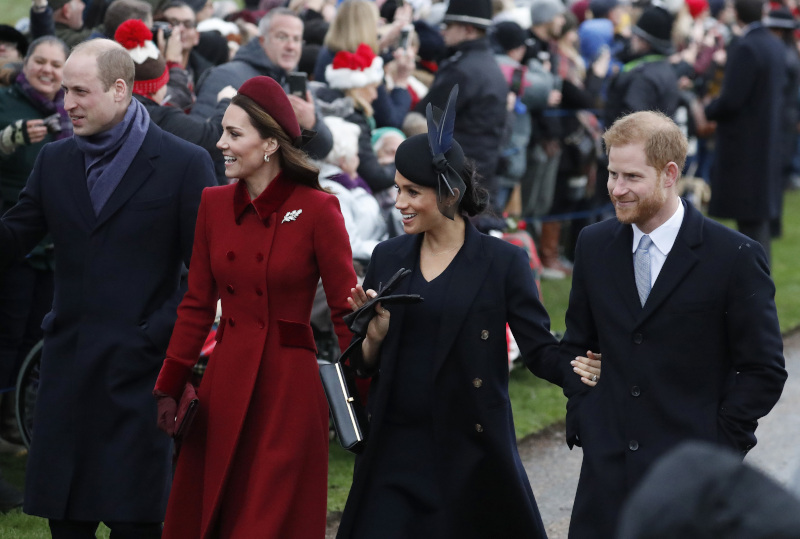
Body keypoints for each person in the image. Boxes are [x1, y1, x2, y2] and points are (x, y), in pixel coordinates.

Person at [336, 86, 600, 539]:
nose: (398, 202)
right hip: (395, 445)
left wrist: (584, 369)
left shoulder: (503, 263)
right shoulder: (387, 255)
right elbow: (363, 365)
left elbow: (538, 350)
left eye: (412, 191)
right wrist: (375, 336)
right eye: (397, 189)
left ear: (450, 192)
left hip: (470, 449)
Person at [0, 38, 216, 537]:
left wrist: (159, 339)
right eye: (63, 92)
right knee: (66, 523)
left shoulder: (185, 163)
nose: (66, 103)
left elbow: (202, 277)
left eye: (79, 91)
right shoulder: (54, 161)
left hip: (140, 379)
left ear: (120, 89)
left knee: (134, 523)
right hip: (67, 374)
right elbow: (13, 238)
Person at [561, 111, 787, 538]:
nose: (616, 188)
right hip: (604, 475)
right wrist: (584, 412)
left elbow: (763, 369)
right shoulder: (593, 245)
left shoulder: (734, 256)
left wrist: (719, 444)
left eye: (631, 176)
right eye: (611, 174)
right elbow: (577, 344)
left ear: (669, 174)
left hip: (689, 481)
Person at [153, 75, 357, 538]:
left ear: (269, 144)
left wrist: (362, 394)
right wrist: (171, 383)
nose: (220, 142)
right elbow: (196, 305)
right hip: (224, 384)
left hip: (289, 391)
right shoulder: (213, 203)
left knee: (265, 521)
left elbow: (346, 313)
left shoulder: (319, 209)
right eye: (222, 130)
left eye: (233, 134)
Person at [704, 0, 786, 266]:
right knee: (754, 221)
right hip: (766, 141)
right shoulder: (772, 43)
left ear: (736, 13)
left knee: (750, 224)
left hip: (746, 147)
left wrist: (708, 109)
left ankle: (754, 285)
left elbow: (731, 100)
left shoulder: (746, 46)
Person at [414, 0, 508, 208]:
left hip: (455, 174)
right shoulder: (488, 64)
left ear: (468, 30)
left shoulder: (462, 69)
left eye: (449, 26)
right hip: (479, 171)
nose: (443, 32)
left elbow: (426, 115)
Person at [114, 19, 232, 158]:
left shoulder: (112, 108)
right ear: (156, 89)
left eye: (188, 24)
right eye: (165, 82)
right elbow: (212, 136)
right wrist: (226, 102)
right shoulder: (160, 117)